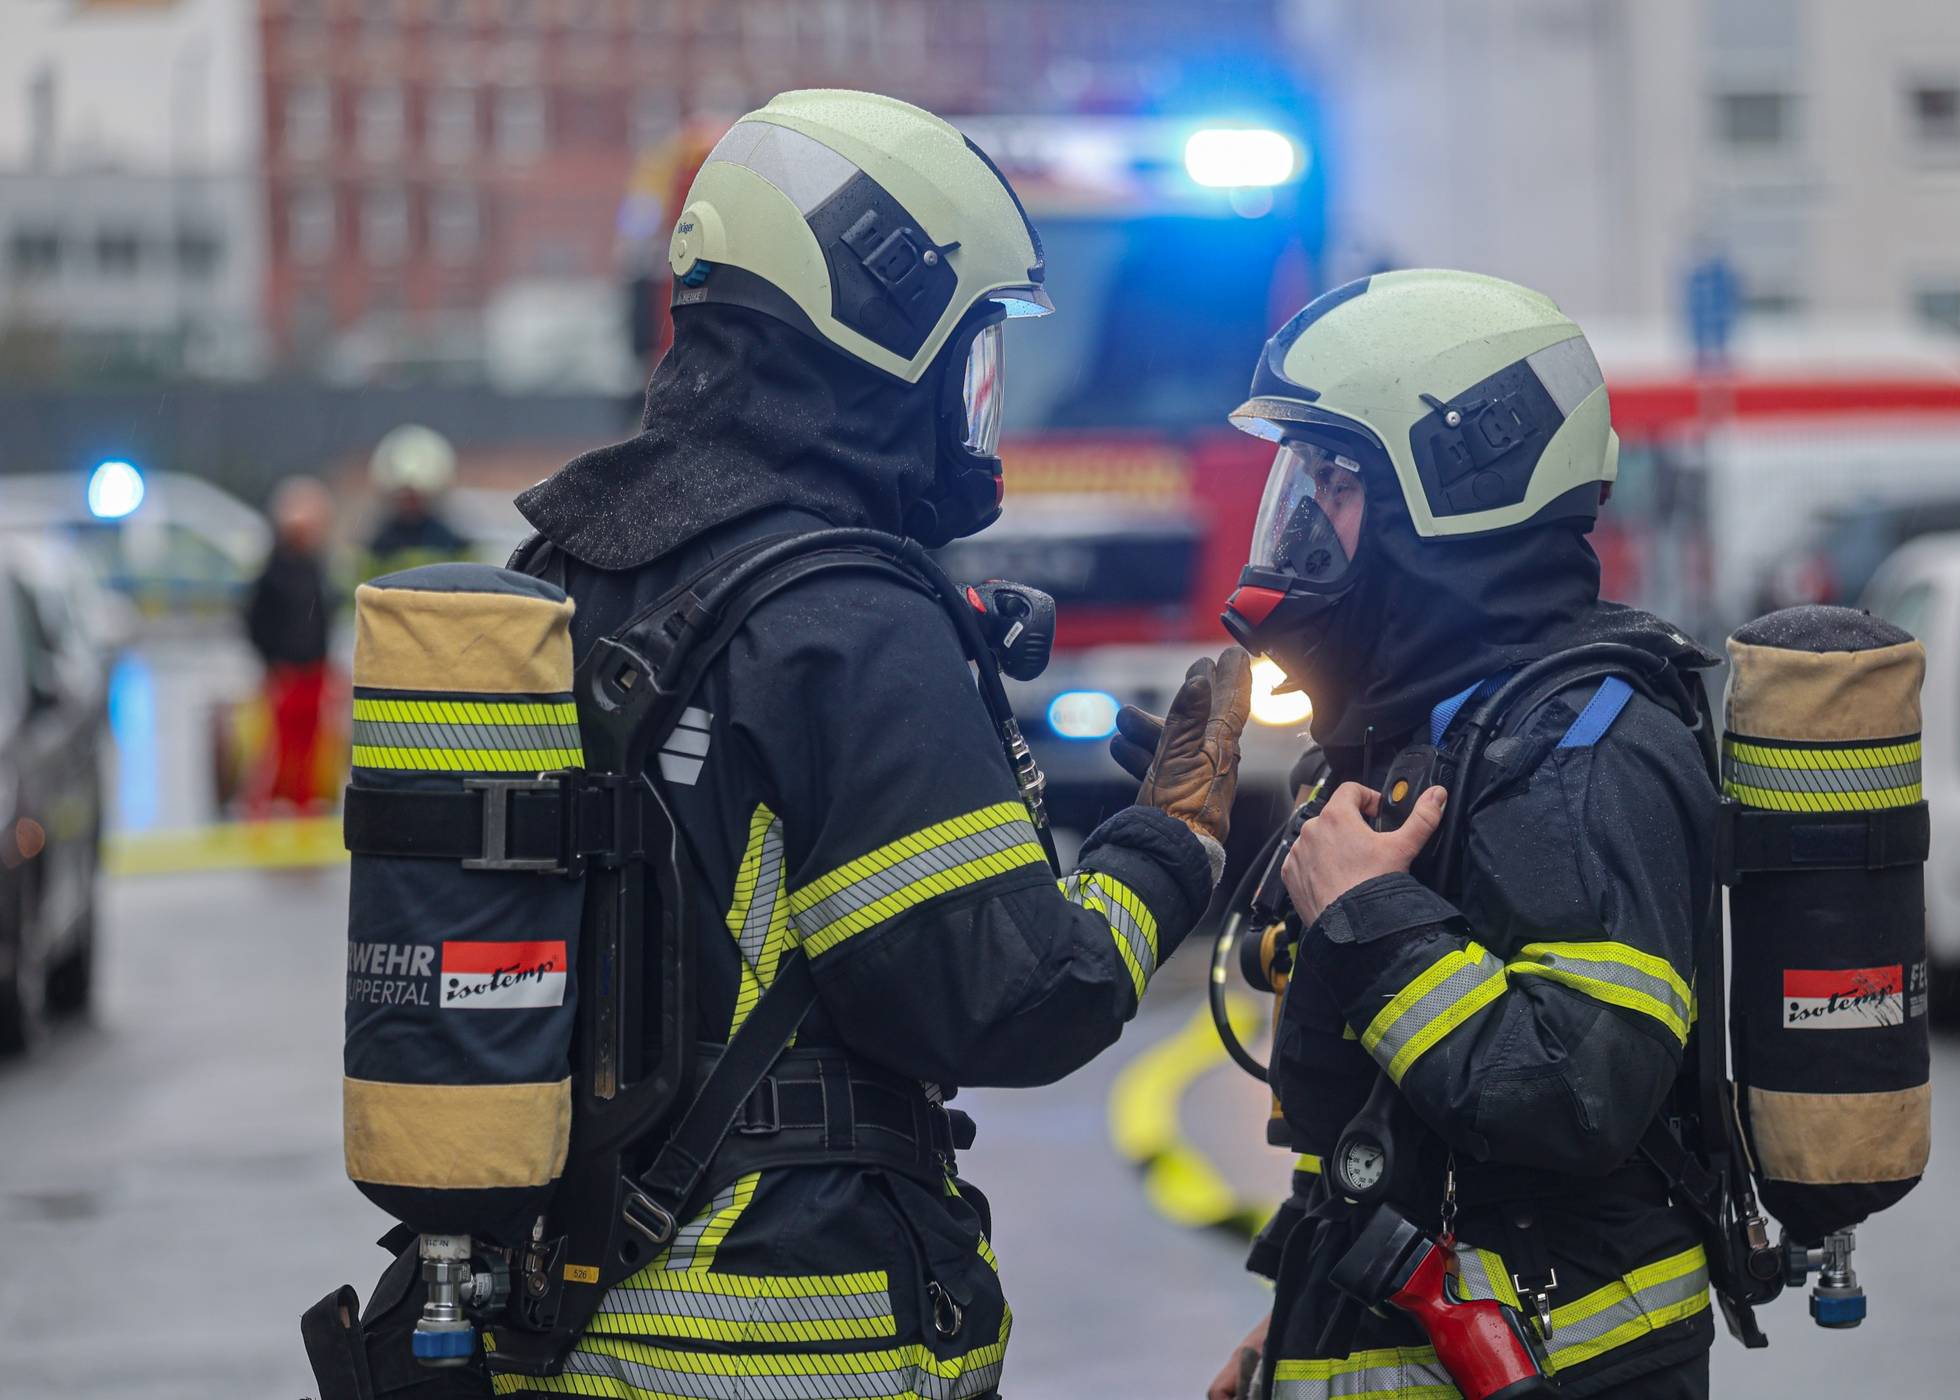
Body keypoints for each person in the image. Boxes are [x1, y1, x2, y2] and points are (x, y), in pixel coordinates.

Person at [499, 90, 1252, 1398]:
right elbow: (1006, 994)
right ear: (881, 328)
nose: (986, 398)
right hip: (775, 1336)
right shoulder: (844, 616)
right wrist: (1173, 837)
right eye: (977, 350)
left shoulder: (580, 563)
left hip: (553, 1321)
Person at [1204, 271, 1719, 1399]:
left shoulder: (1585, 748)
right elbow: (1401, 1130)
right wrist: (1295, 1321)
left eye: (1332, 488)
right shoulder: (1440, 730)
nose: (1298, 531)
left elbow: (1577, 1092)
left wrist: (1370, 919)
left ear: (1451, 495)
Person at [243, 474, 337, 814]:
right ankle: (265, 806)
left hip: (313, 672)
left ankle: (304, 803)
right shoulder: (274, 573)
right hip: (284, 673)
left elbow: (322, 619)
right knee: (275, 746)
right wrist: (272, 663)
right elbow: (255, 623)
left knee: (310, 746)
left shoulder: (314, 568)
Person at [361, 424, 471, 580]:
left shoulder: (452, 542)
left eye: (416, 496)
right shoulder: (378, 545)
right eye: (405, 496)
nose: (410, 502)